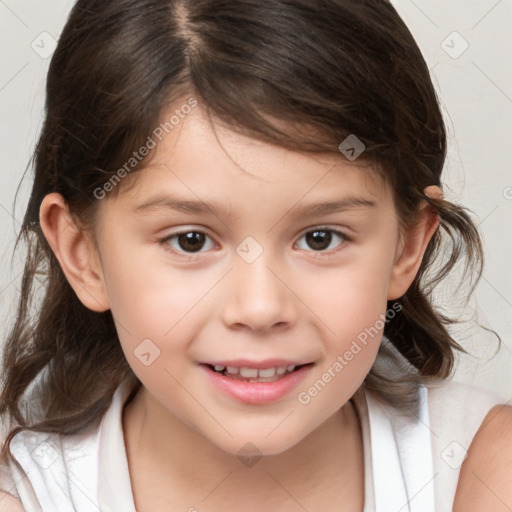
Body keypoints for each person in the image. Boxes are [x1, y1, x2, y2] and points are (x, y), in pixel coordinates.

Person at [0, 0, 510, 510]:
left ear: (407, 245)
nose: (261, 308)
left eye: (320, 238)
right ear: (82, 253)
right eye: (191, 240)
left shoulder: (479, 471)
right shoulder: (24, 491)